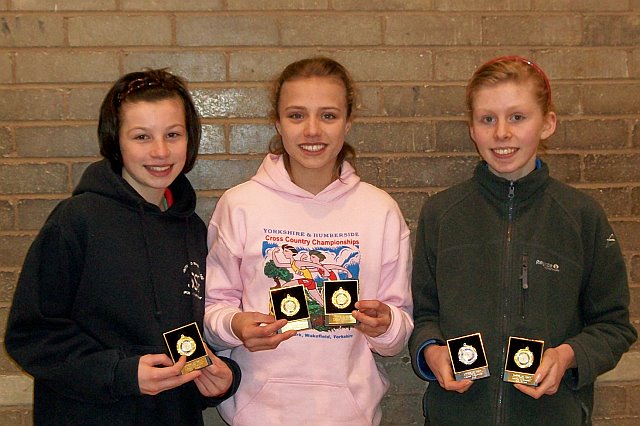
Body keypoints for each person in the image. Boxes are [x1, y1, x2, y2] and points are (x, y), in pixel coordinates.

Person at [409, 56, 637, 425]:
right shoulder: (441, 214)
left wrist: (567, 356)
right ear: (472, 129)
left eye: (517, 117)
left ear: (547, 123)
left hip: (552, 415)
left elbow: (614, 326)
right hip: (456, 415)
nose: (502, 133)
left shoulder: (581, 216)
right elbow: (424, 315)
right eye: (487, 119)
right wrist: (431, 352)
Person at [4, 69, 241, 425]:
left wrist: (220, 380)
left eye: (173, 135)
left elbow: (188, 340)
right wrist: (119, 373)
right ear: (116, 142)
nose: (160, 151)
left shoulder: (191, 229)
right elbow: (31, 336)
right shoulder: (76, 221)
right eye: (142, 136)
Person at [203, 56, 413, 426]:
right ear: (278, 122)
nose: (312, 130)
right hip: (255, 415)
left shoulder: (380, 211)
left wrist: (385, 325)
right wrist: (236, 327)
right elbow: (211, 312)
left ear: (348, 122)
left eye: (328, 116)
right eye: (297, 115)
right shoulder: (240, 205)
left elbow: (398, 332)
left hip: (350, 415)